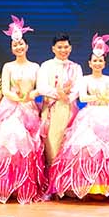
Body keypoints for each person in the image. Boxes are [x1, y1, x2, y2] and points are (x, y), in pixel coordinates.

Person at [50, 35, 109, 201]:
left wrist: (105, 98)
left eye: (100, 61)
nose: (98, 63)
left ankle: (108, 186)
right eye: (95, 61)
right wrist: (98, 97)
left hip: (106, 115)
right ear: (90, 63)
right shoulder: (85, 79)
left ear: (104, 63)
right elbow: (82, 97)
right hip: (89, 115)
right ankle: (86, 186)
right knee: (85, 149)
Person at [0, 17, 46, 204]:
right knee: (8, 142)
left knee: (27, 147)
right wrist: (17, 97)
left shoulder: (35, 67)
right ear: (12, 48)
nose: (18, 47)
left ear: (27, 46)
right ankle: (3, 186)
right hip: (11, 108)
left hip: (29, 107)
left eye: (21, 44)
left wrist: (29, 96)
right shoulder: (8, 66)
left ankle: (23, 187)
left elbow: (40, 88)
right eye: (15, 45)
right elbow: (5, 89)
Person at [37, 34, 83, 167]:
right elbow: (41, 87)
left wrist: (68, 97)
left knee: (69, 144)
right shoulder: (46, 66)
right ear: (53, 49)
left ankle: (65, 177)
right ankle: (52, 176)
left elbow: (78, 88)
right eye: (60, 47)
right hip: (51, 110)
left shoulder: (76, 67)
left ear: (71, 48)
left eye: (66, 47)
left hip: (70, 111)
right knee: (52, 145)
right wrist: (59, 94)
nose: (63, 50)